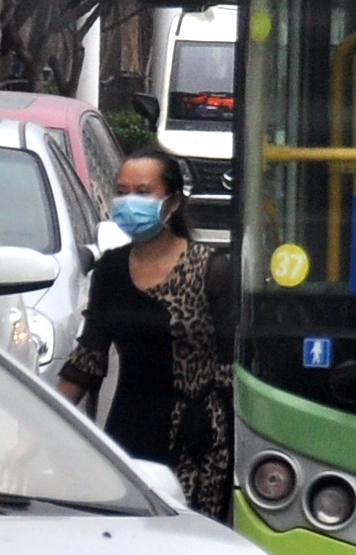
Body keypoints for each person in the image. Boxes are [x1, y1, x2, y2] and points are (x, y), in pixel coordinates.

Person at [58, 152, 235, 518]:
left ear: (174, 201)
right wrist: (41, 417)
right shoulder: (111, 270)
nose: (130, 202)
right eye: (122, 192)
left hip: (196, 437)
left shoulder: (210, 269)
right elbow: (88, 359)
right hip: (129, 427)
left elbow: (232, 368)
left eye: (143, 191)